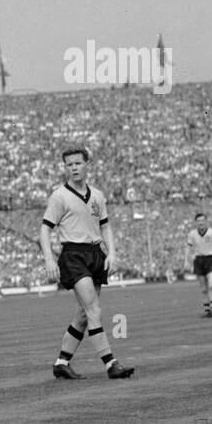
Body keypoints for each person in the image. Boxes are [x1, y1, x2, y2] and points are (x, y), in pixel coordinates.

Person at [41, 147, 134, 380]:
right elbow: (45, 229)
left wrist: (111, 254)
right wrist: (49, 259)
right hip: (73, 255)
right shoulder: (59, 196)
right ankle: (111, 363)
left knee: (83, 314)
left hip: (95, 254)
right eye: (69, 164)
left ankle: (61, 362)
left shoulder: (98, 195)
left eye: (77, 163)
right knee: (93, 308)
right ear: (65, 168)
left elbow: (105, 226)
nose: (73, 168)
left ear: (86, 164)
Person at [185, 212, 212, 318]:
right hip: (199, 260)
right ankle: (207, 311)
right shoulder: (192, 234)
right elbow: (188, 248)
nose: (201, 222)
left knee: (211, 285)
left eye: (202, 220)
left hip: (210, 259)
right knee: (204, 289)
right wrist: (186, 261)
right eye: (198, 221)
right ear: (196, 222)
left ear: (206, 221)